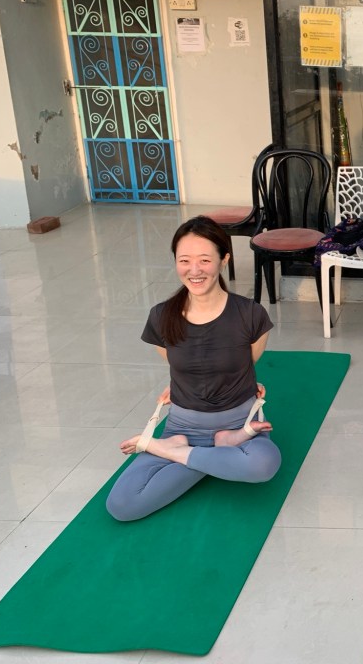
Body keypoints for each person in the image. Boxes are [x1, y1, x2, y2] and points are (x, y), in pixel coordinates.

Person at [106, 216, 281, 521]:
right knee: (122, 506)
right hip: (182, 427)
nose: (194, 270)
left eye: (205, 260)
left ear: (224, 260)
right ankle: (216, 454)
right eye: (184, 260)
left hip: (240, 425)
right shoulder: (161, 316)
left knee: (263, 465)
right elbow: (179, 366)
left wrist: (168, 452)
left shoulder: (251, 315)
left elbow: (245, 365)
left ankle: (174, 451)